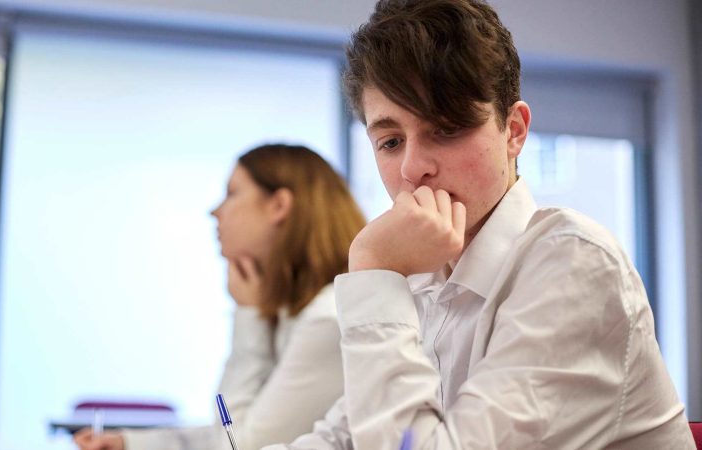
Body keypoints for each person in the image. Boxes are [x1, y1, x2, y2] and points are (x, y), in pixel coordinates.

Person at [263, 1, 695, 449]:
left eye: (446, 129)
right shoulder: (423, 280)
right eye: (390, 142)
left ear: (514, 131)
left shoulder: (576, 264)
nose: (412, 168)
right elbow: (342, 439)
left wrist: (373, 268)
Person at [74, 144, 366, 450]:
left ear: (278, 206)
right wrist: (128, 443)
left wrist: (249, 317)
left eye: (232, 193)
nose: (214, 212)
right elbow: (231, 433)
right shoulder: (297, 313)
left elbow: (238, 445)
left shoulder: (326, 321)